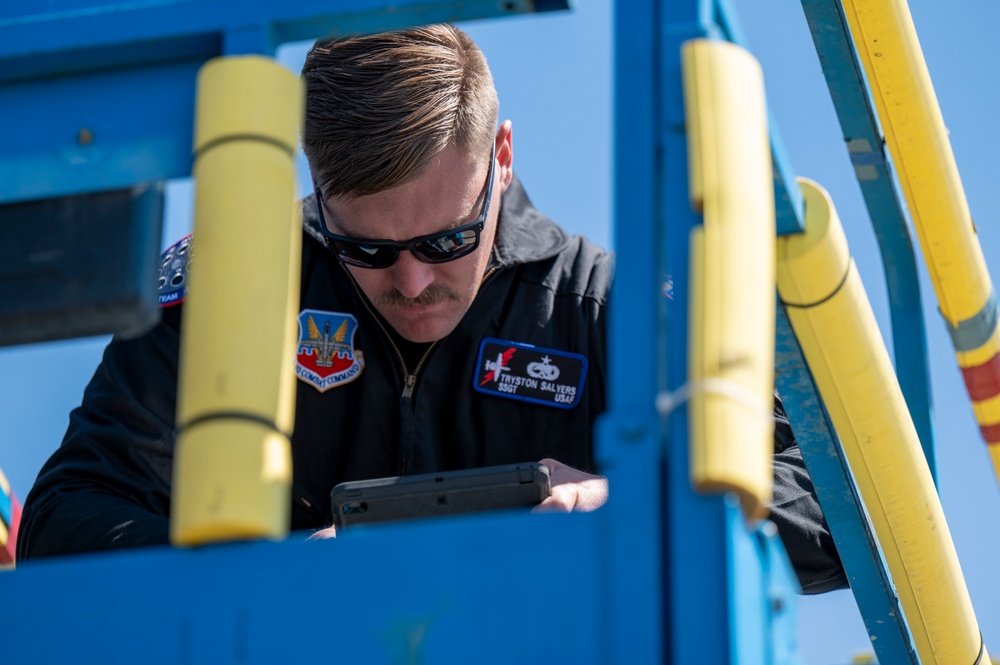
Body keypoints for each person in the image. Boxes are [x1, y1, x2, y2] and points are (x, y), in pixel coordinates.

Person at [16, 24, 844, 593]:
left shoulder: (605, 308)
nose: (411, 283)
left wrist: (623, 507)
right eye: (368, 251)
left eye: (446, 241)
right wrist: (281, 573)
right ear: (317, 186)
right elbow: (67, 518)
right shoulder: (231, 287)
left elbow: (837, 503)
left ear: (504, 156)